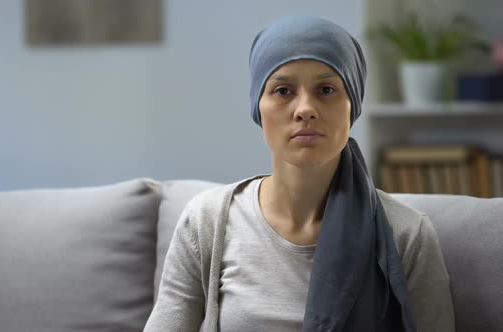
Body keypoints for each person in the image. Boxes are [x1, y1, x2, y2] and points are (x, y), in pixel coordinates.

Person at [144, 15, 455, 332]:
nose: (305, 108)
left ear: (353, 105)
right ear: (258, 107)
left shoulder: (407, 235)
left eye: (326, 89)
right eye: (282, 90)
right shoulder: (207, 220)